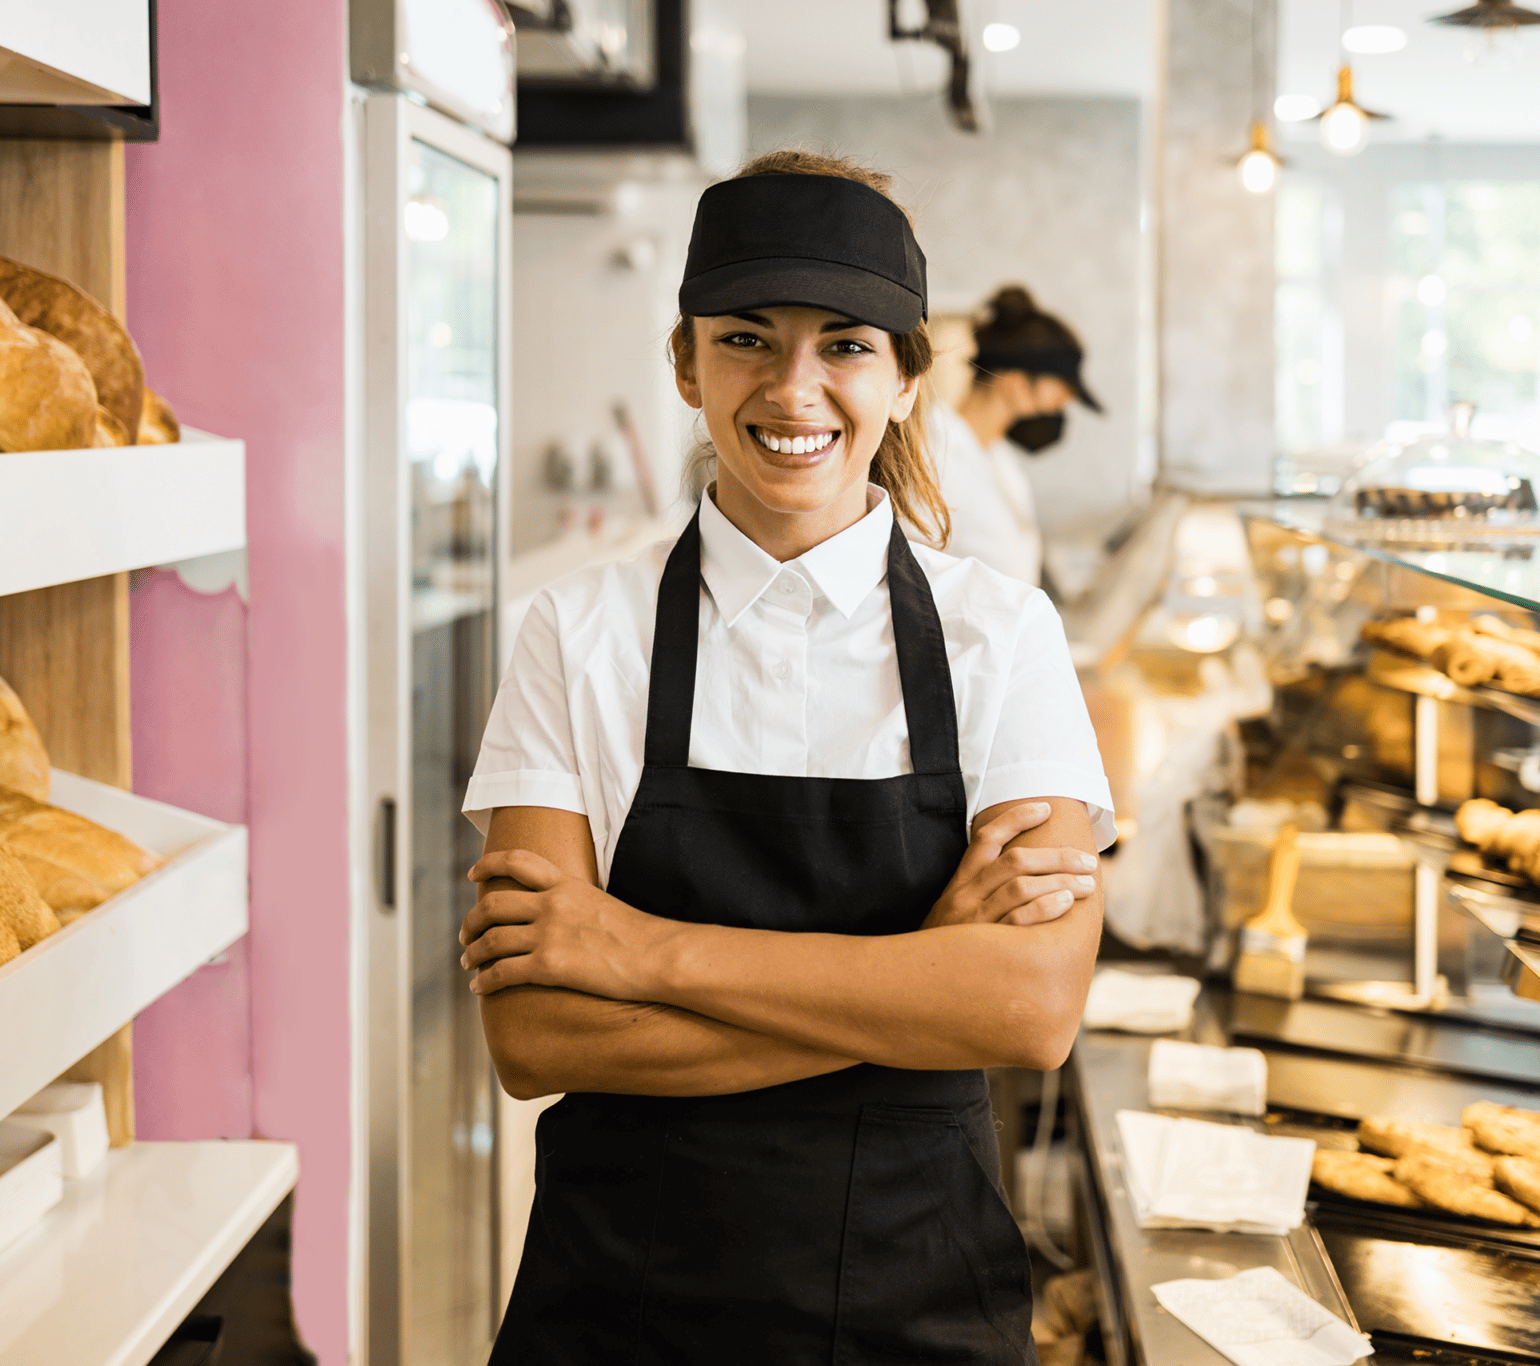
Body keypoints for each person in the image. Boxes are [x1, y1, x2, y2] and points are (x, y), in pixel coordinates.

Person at [458, 149, 1115, 1365]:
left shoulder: (1000, 635)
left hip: (916, 1309)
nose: (794, 388)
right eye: (748, 339)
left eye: (847, 345)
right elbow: (539, 1034)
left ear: (909, 378)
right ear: (685, 365)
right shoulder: (577, 629)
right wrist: (920, 974)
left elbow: (1027, 1007)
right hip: (619, 1313)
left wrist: (639, 950)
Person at [934, 285, 1101, 584]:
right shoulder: (932, 456)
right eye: (1059, 396)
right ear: (1016, 383)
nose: (1061, 408)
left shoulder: (998, 457)